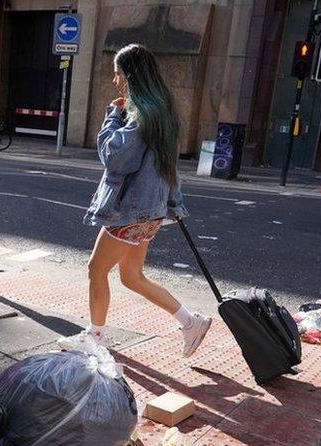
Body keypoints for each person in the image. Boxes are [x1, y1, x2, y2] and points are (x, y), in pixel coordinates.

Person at [58, 44, 211, 358]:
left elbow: (115, 158)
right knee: (131, 276)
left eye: (117, 74)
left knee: (95, 269)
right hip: (149, 210)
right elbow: (168, 168)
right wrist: (173, 205)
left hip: (132, 211)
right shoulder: (163, 111)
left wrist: (113, 115)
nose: (115, 81)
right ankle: (190, 321)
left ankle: (95, 339)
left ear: (130, 74)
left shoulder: (142, 114)